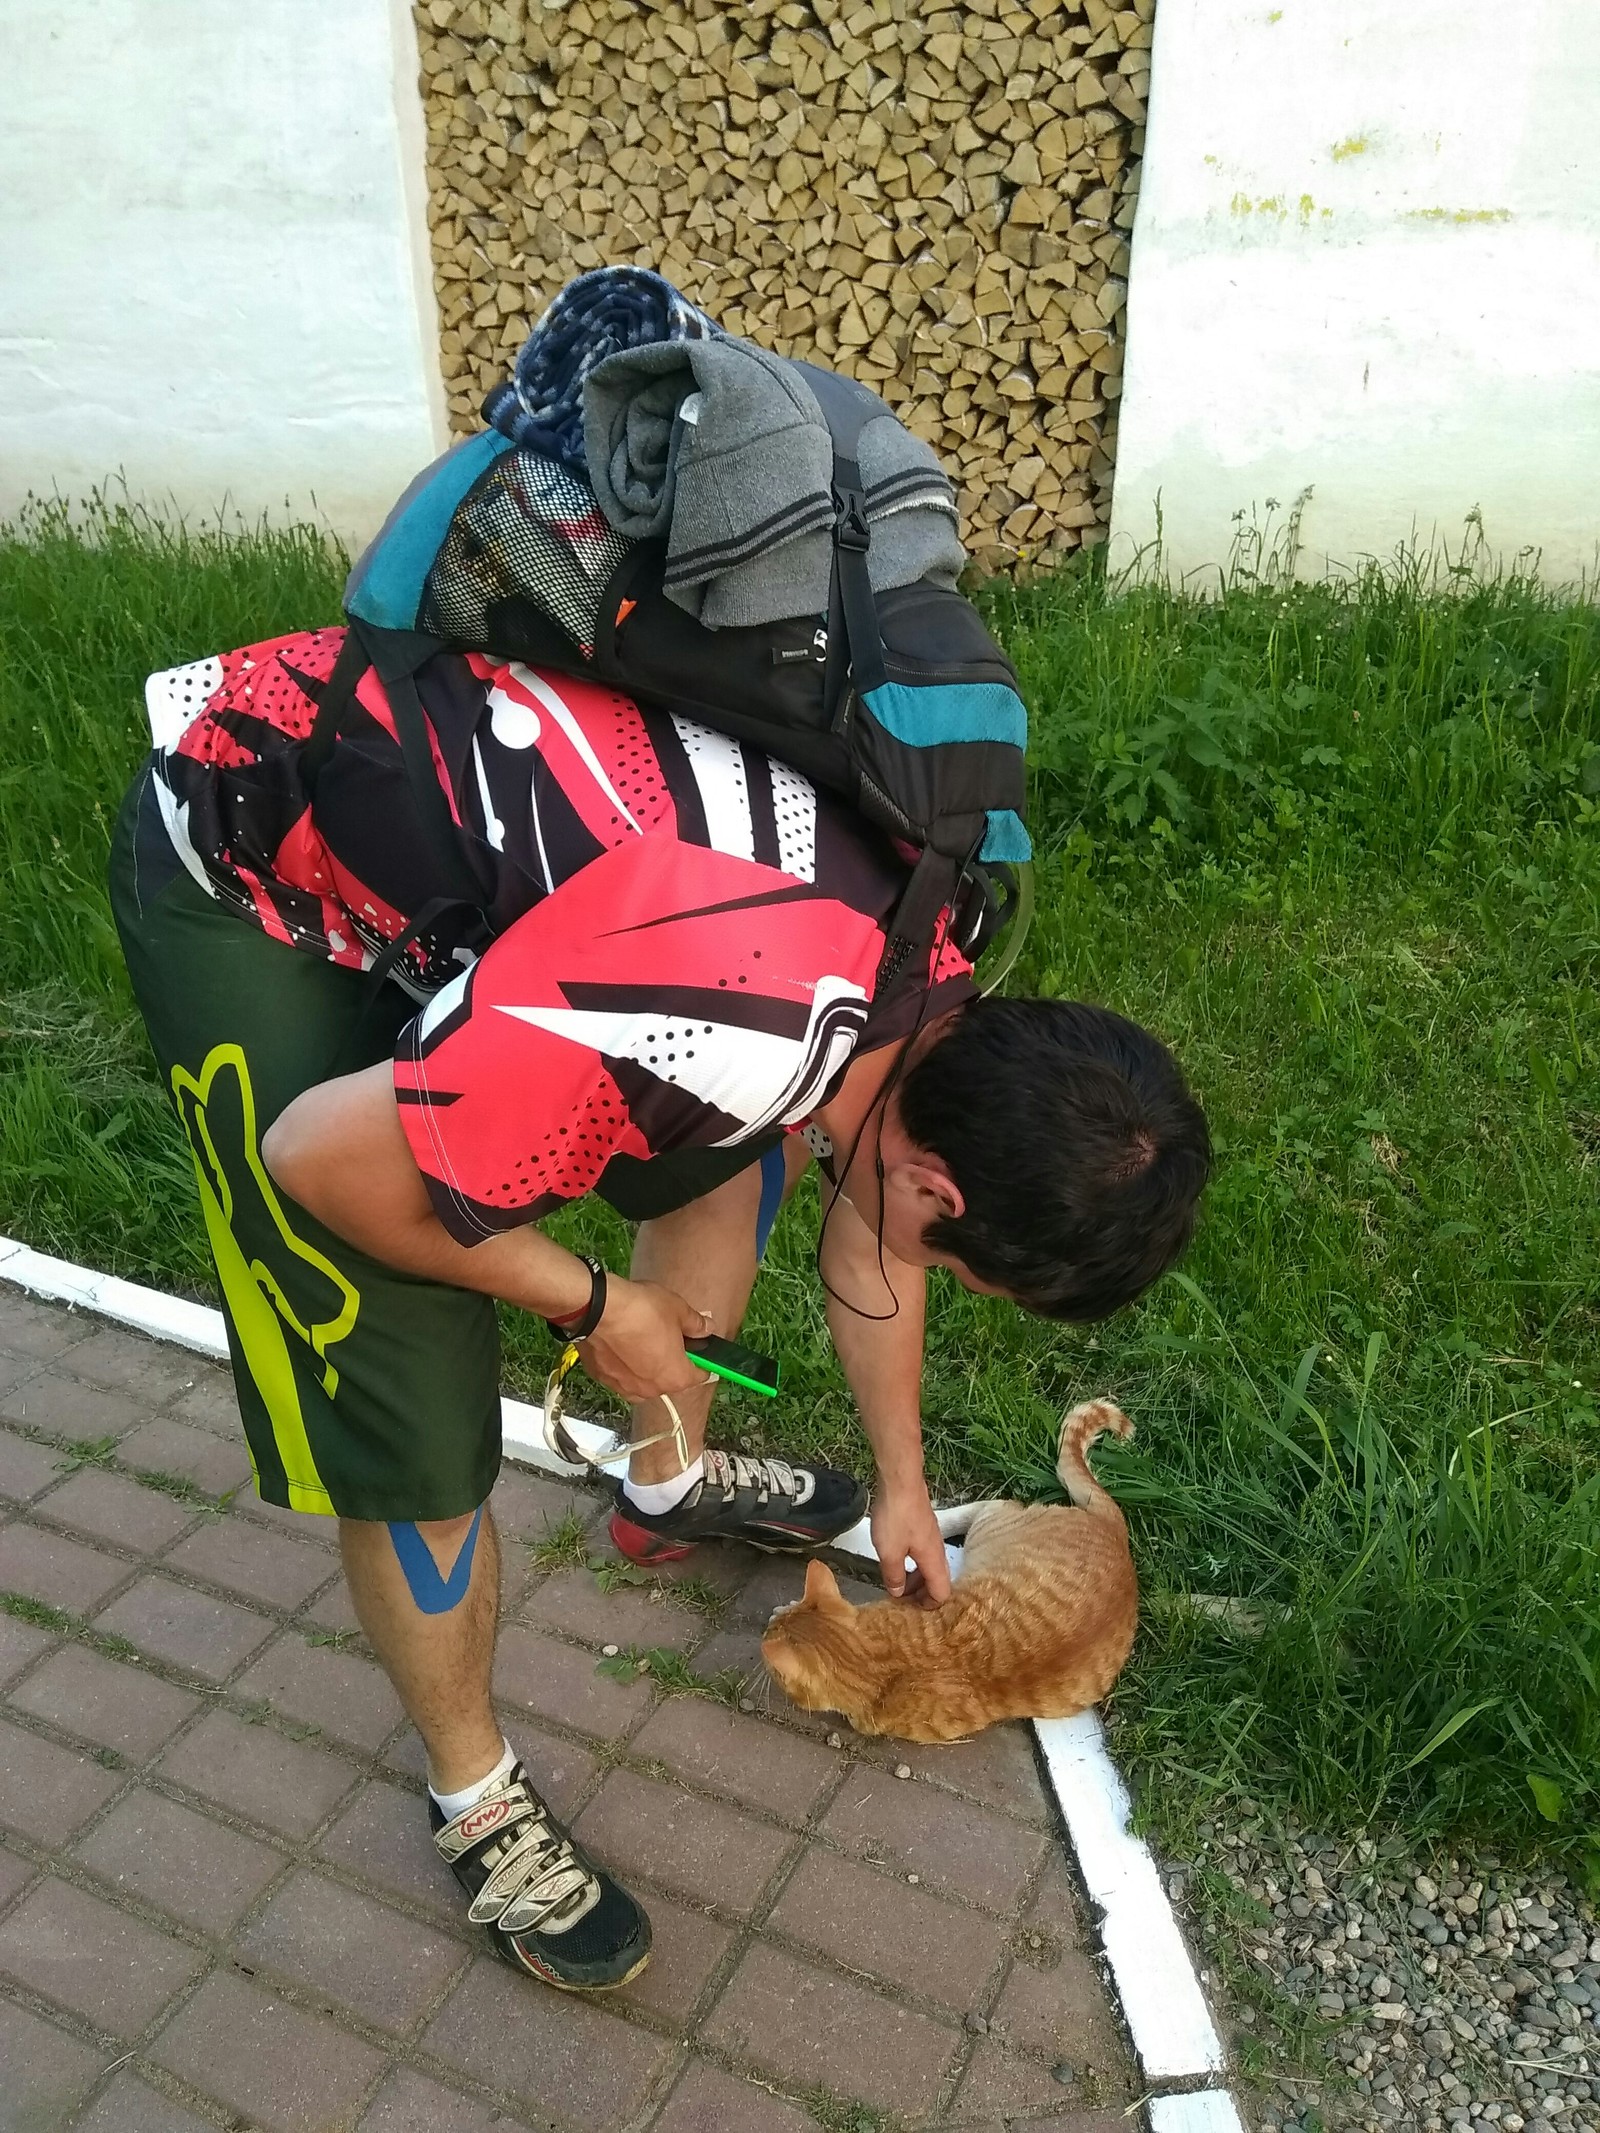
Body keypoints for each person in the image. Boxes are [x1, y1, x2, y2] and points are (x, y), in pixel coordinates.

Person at [111, 625, 1210, 1994]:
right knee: (408, 1382)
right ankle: (475, 1800)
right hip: (253, 843)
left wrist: (904, 1483)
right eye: (969, 1264)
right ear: (937, 1180)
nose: (942, 1273)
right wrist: (590, 1305)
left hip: (532, 870)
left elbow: (878, 1232)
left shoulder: (943, 956)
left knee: (746, 1133)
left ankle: (669, 1476)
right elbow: (322, 1164)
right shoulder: (744, 1018)